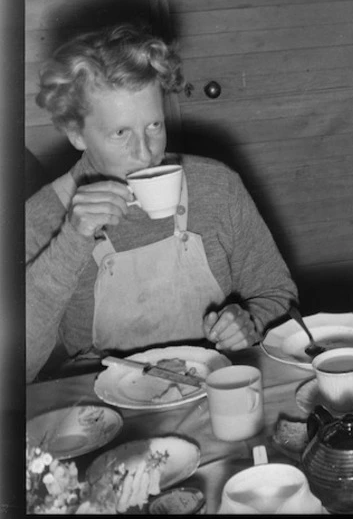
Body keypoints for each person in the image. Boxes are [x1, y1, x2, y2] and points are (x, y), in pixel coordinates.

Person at [26, 24, 298, 383]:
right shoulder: (43, 216)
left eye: (154, 126)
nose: (145, 153)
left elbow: (279, 296)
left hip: (214, 389)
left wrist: (251, 321)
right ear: (77, 134)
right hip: (105, 409)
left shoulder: (217, 186)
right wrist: (72, 240)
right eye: (120, 133)